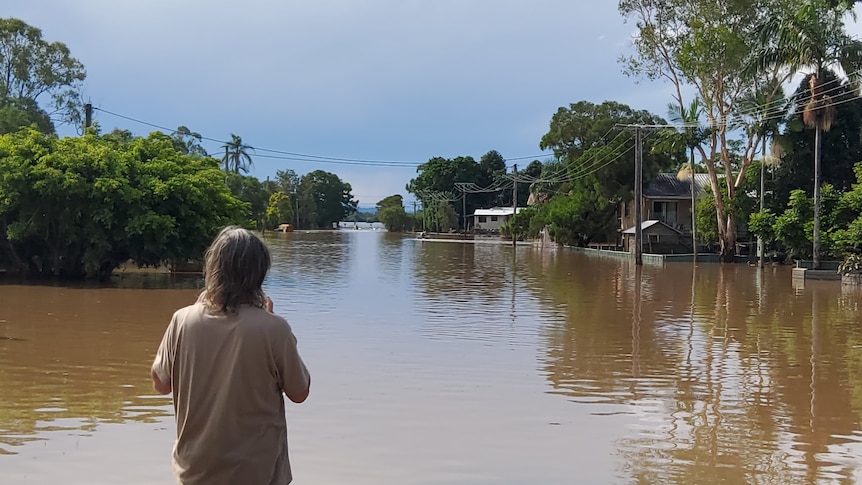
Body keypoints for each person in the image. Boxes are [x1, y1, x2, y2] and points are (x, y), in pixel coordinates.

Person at [151, 226, 311, 484]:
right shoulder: (274, 329)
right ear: (259, 273)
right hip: (258, 473)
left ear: (213, 269)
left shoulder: (182, 321)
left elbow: (161, 385)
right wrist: (268, 318)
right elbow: (300, 393)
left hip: (194, 472)